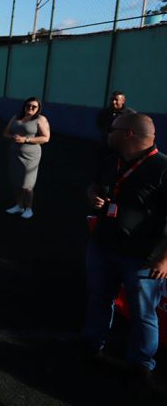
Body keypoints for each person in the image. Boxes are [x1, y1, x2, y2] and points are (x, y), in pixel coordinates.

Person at [84, 112, 167, 395]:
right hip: (104, 245)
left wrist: (164, 259)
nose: (108, 132)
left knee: (144, 312)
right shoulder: (111, 161)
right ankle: (92, 346)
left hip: (142, 257)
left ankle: (141, 365)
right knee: (99, 297)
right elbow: (95, 188)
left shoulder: (162, 168)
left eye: (113, 129)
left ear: (129, 133)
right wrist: (93, 196)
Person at [4, 97, 51, 219]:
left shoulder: (40, 119)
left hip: (30, 156)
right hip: (14, 153)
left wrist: (26, 139)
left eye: (34, 106)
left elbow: (46, 138)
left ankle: (29, 208)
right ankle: (19, 206)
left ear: (38, 108)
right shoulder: (16, 117)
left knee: (27, 185)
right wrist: (13, 136)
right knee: (15, 182)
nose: (30, 108)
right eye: (28, 105)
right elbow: (6, 133)